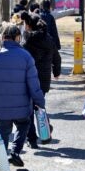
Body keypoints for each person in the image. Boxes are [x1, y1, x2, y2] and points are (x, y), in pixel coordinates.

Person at [0, 24, 45, 168]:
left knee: (3, 131)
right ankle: (15, 152)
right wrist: (40, 102)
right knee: (23, 125)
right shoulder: (26, 56)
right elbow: (33, 83)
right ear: (17, 38)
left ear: (2, 37)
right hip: (22, 105)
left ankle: (2, 163)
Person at [21, 13, 61, 148]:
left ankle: (32, 138)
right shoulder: (48, 39)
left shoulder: (26, 41)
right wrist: (56, 72)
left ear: (29, 25)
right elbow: (57, 57)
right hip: (43, 79)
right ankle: (45, 131)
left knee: (28, 109)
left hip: (28, 78)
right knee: (39, 106)